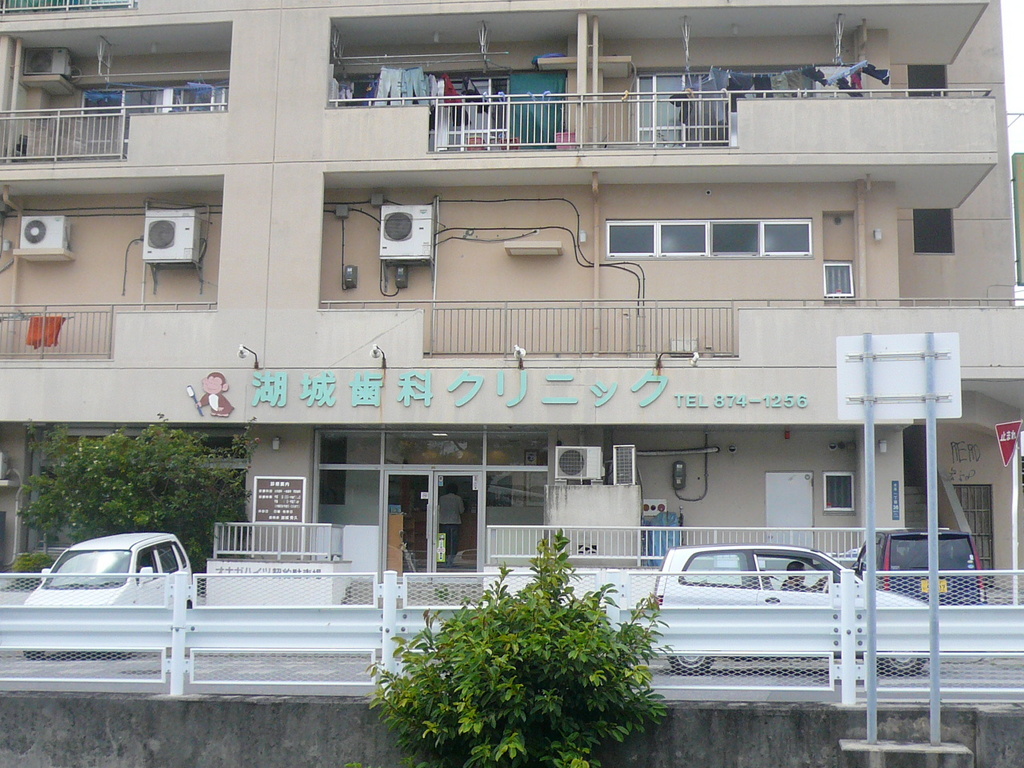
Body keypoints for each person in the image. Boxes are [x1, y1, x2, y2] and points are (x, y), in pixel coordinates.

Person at [437, 482, 464, 567]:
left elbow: (439, 509)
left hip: (443, 523)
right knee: (453, 543)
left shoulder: (442, 498)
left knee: (443, 542)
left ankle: (443, 559)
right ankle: (451, 560)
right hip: (454, 523)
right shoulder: (458, 498)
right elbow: (461, 510)